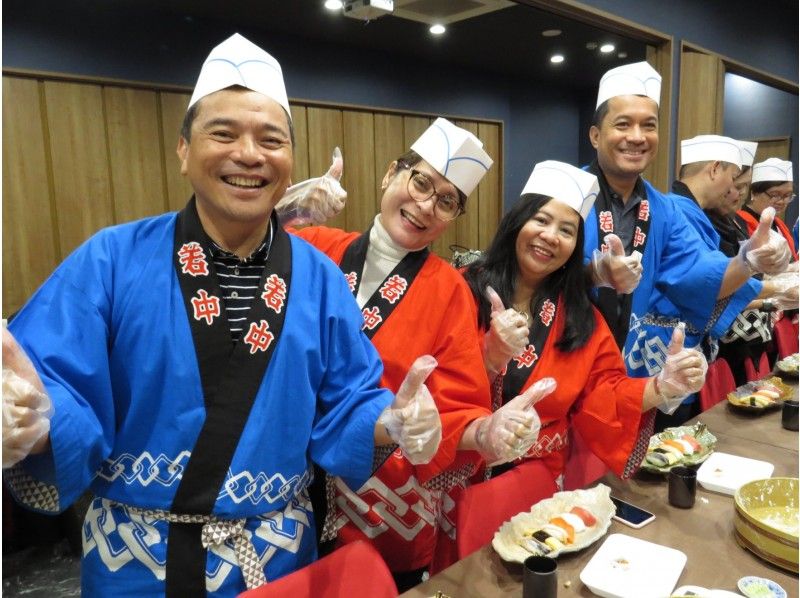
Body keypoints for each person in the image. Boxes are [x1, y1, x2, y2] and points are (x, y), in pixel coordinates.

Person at [1, 33, 445, 597]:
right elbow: (51, 386)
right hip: (135, 568)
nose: (250, 154)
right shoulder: (110, 260)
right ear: (183, 150)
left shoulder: (321, 280)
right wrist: (34, 421)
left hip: (278, 566)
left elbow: (351, 400)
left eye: (271, 139)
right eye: (223, 133)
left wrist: (394, 423)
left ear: (289, 163)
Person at [276, 118, 546, 591]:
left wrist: (486, 432)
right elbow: (234, 266)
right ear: (389, 174)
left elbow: (458, 404)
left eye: (446, 201)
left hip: (380, 500)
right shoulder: (313, 246)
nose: (425, 205)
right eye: (420, 181)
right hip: (285, 484)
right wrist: (279, 215)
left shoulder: (449, 291)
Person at [464, 160, 708, 487]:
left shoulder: (580, 314)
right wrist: (489, 356)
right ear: (516, 223)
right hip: (462, 472)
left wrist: (662, 386)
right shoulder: (463, 290)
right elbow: (438, 380)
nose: (551, 237)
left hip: (538, 483)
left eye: (567, 230)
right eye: (541, 220)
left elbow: (606, 390)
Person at [582, 61, 791, 389]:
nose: (637, 137)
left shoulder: (664, 210)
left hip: (632, 376)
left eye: (648, 125)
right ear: (596, 135)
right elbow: (526, 273)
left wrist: (747, 260)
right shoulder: (563, 195)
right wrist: (591, 274)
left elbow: (702, 274)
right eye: (623, 124)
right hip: (567, 363)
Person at [653, 135, 797, 424]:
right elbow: (706, 281)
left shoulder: (694, 214)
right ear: (715, 169)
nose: (735, 191)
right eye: (734, 180)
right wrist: (776, 286)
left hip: (689, 350)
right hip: (665, 349)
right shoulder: (676, 211)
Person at [738, 158, 798, 260]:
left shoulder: (780, 224)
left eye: (787, 195)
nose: (781, 201)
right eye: (774, 195)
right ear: (754, 193)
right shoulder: (739, 221)